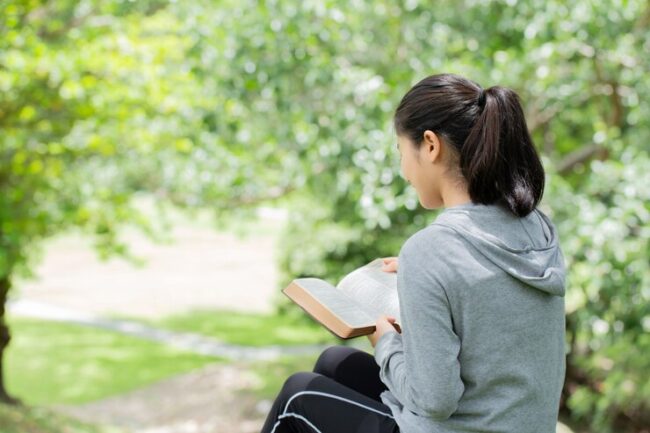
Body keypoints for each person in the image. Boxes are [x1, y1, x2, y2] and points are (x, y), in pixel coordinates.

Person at [259, 73, 566, 433]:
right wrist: (423, 276)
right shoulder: (535, 230)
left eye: (401, 150)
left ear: (430, 145)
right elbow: (482, 289)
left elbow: (435, 401)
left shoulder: (434, 251)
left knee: (298, 398)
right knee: (334, 363)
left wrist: (385, 341)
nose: (404, 170)